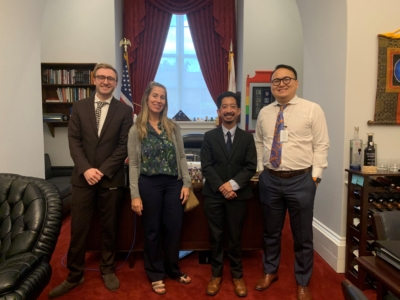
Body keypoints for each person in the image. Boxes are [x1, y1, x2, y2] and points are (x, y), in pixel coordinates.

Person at [48, 63, 133, 298]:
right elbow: (73, 141)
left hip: (111, 179)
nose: (106, 81)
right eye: (102, 77)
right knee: (79, 229)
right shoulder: (80, 106)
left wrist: (102, 170)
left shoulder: (125, 112)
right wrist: (86, 169)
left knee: (109, 227)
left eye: (111, 79)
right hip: (82, 179)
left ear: (116, 83)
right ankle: (75, 274)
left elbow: (123, 145)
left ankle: (107, 269)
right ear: (94, 79)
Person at [254, 64, 329, 300]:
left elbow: (322, 145)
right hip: (271, 180)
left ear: (296, 83)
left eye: (287, 79)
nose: (281, 84)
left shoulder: (312, 109)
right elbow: (258, 142)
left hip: (301, 180)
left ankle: (303, 282)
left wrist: (315, 177)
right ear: (271, 86)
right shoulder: (265, 112)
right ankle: (270, 271)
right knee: (271, 232)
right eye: (276, 80)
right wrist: (260, 170)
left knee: (302, 235)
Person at [128, 81, 192, 295]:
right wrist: (135, 195)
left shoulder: (172, 127)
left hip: (173, 184)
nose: (158, 100)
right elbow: (134, 164)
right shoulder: (136, 128)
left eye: (162, 97)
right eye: (155, 96)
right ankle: (155, 273)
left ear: (166, 101)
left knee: (173, 228)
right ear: (147, 98)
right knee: (152, 230)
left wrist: (187, 183)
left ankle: (173, 269)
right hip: (149, 184)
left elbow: (181, 156)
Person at [201, 91, 257, 297]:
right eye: (224, 107)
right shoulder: (209, 137)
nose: (229, 110)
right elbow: (206, 166)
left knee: (235, 237)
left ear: (239, 110)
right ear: (218, 111)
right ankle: (216, 275)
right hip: (214, 196)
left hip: (238, 196)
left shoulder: (247, 138)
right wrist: (222, 187)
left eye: (233, 106)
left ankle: (237, 275)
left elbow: (251, 167)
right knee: (215, 237)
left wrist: (232, 186)